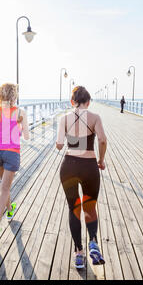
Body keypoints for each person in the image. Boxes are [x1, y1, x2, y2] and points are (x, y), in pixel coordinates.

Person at [56, 86, 107, 269]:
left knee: (74, 208)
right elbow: (102, 139)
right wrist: (101, 160)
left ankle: (78, 253)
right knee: (90, 207)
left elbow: (60, 145)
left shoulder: (64, 119)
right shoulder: (95, 117)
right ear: (88, 102)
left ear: (72, 102)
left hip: (69, 167)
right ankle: (93, 242)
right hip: (89, 167)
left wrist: (69, 138)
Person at [0, 83, 29, 248]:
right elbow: (26, 136)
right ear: (14, 96)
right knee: (4, 189)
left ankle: (10, 210)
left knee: (5, 185)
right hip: (11, 152)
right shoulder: (20, 112)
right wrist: (18, 126)